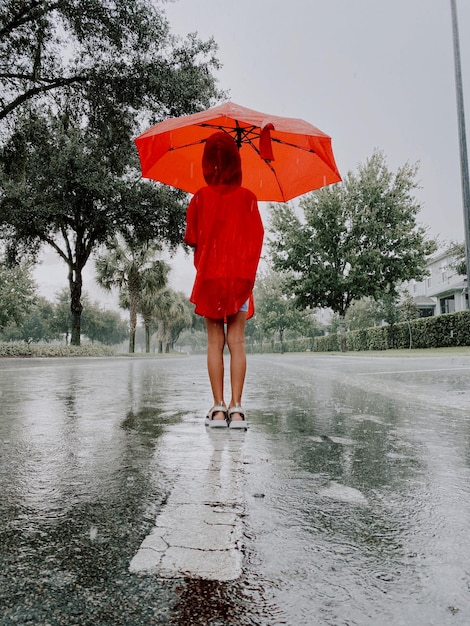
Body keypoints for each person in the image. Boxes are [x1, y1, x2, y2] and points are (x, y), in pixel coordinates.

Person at [184, 132, 264, 429]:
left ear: (207, 163)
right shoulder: (248, 198)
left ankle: (218, 410)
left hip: (211, 277)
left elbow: (192, 239)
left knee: (215, 341)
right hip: (238, 277)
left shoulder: (200, 198)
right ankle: (238, 409)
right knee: (237, 341)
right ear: (236, 161)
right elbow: (256, 238)